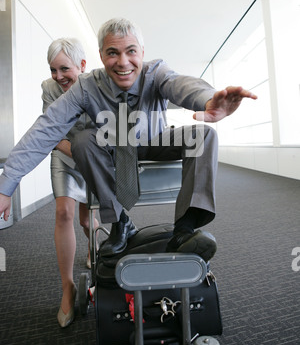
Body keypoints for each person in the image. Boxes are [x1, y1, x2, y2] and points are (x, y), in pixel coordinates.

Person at [0, 18, 257, 271]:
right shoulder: (87, 86)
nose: (123, 62)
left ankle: (185, 230)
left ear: (141, 52)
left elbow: (181, 84)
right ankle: (121, 222)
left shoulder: (155, 71)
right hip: (111, 146)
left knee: (204, 136)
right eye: (113, 53)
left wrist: (207, 99)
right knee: (82, 140)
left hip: (153, 140)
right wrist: (7, 184)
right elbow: (46, 128)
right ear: (101, 55)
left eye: (130, 51)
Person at [43, 38, 98, 328]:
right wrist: (78, 153)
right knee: (63, 212)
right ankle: (68, 288)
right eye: (53, 69)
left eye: (64, 68)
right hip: (64, 154)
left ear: (82, 66)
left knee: (88, 222)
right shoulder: (49, 89)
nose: (58, 76)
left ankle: (92, 249)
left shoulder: (99, 85)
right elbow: (53, 132)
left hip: (93, 158)